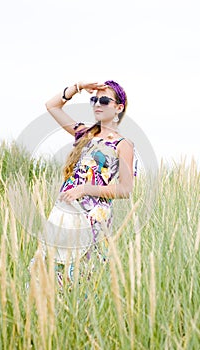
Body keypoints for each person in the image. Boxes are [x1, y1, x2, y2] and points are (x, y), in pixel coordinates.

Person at [43, 80, 136, 285]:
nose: (97, 104)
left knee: (82, 278)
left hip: (93, 218)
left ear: (119, 108)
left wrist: (85, 189)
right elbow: (52, 106)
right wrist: (78, 87)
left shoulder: (123, 144)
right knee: (50, 273)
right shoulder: (84, 134)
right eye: (94, 99)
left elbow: (125, 189)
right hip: (65, 212)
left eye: (104, 100)